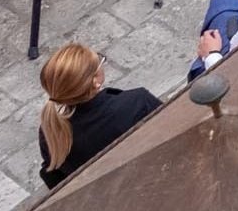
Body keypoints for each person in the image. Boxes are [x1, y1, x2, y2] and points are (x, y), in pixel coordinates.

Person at [38, 43, 160, 189]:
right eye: (99, 62)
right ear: (95, 82)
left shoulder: (51, 133)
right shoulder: (138, 102)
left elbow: (56, 180)